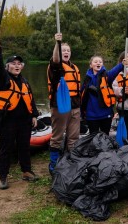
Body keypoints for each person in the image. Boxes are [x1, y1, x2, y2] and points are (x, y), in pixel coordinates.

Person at [0, 36, 39, 190]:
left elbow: (30, 99)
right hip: (7, 120)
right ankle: (3, 177)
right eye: (13, 63)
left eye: (19, 64)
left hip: (24, 120)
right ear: (7, 66)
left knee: (24, 146)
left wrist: (34, 115)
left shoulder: (24, 81)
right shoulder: (2, 78)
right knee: (6, 147)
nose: (17, 66)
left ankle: (26, 171)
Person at [47, 33, 81, 173]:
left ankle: (71, 160)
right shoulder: (56, 67)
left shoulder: (74, 67)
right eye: (63, 50)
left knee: (73, 137)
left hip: (75, 105)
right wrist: (57, 43)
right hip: (60, 105)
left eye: (68, 50)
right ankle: (53, 163)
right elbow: (55, 59)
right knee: (57, 137)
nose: (66, 52)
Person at [81, 55, 123, 135]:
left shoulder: (107, 76)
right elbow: (81, 96)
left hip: (105, 114)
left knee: (105, 136)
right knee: (93, 137)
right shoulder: (87, 79)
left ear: (102, 64)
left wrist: (122, 64)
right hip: (91, 115)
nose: (98, 63)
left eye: (100, 62)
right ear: (91, 65)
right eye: (95, 62)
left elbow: (114, 71)